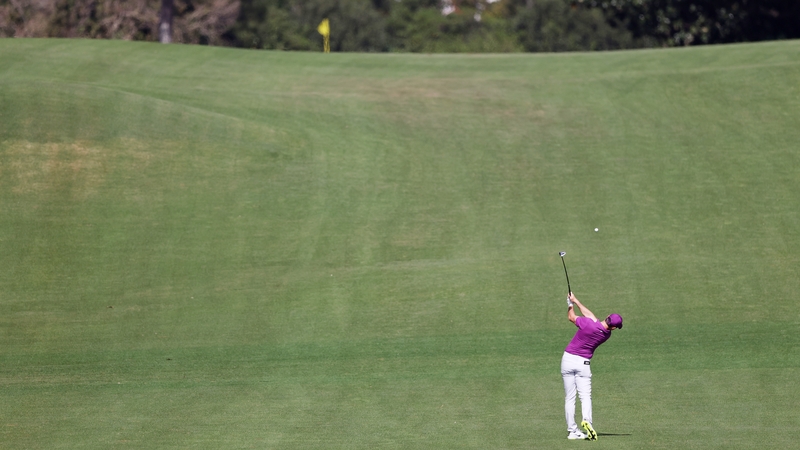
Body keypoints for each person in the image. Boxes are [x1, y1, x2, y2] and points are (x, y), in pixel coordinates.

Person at [561, 292, 623, 440]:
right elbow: (590, 316)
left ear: (607, 316)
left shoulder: (588, 324)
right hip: (583, 364)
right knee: (585, 397)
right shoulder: (606, 334)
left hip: (567, 360)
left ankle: (572, 431)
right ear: (613, 328)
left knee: (570, 398)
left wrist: (570, 304)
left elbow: (572, 317)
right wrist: (576, 301)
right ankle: (587, 421)